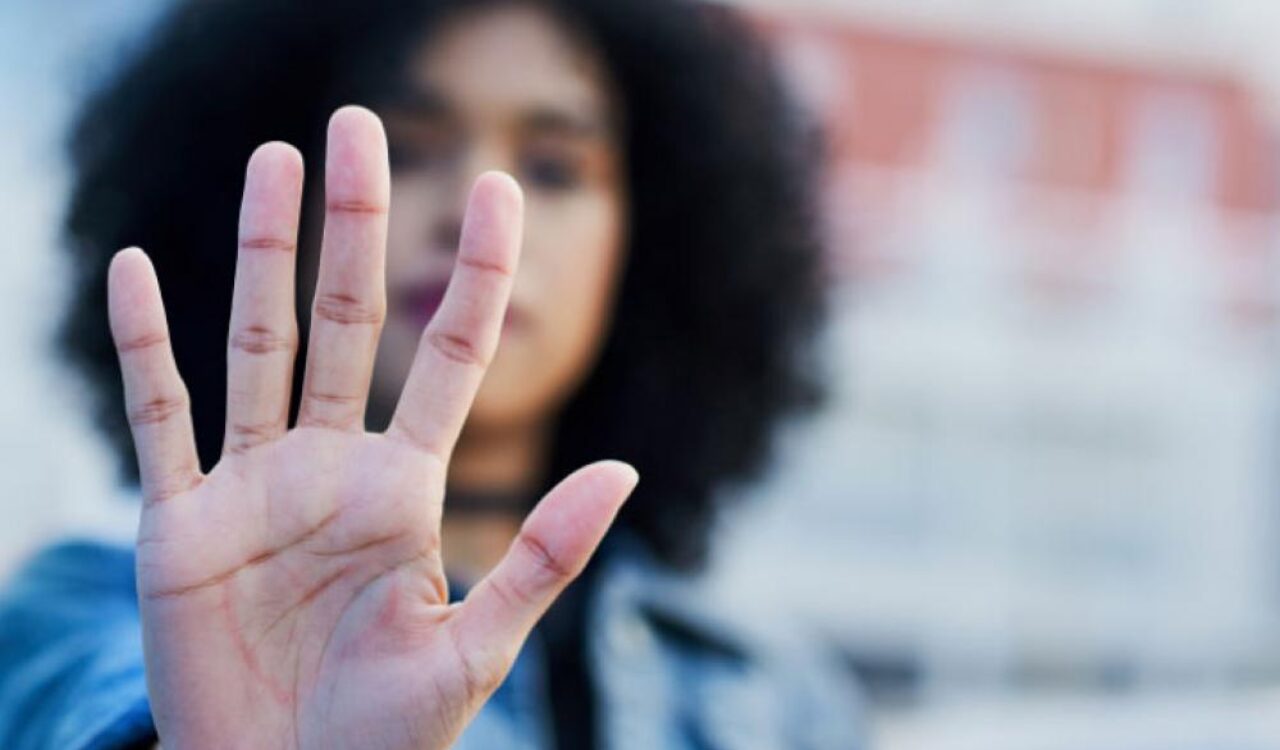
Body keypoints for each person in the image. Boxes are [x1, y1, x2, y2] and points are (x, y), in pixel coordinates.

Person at [0, 0, 862, 747]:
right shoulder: (91, 611)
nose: (475, 204)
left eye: (556, 168)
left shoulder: (780, 697)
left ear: (651, 241)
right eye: (405, 149)